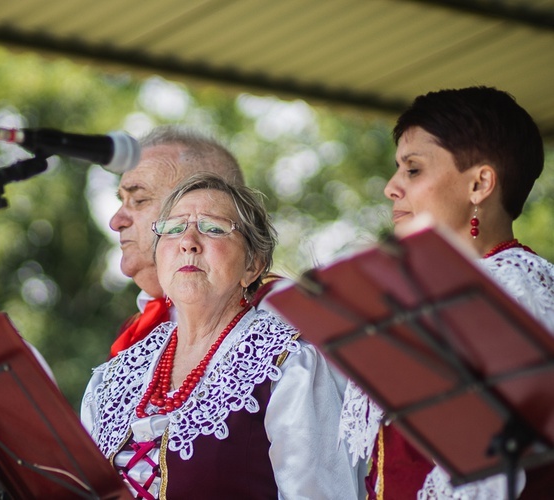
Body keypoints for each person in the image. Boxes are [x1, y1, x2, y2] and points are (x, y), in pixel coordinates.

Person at [83, 173, 359, 498]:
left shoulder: (289, 364)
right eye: (173, 228)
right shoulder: (116, 376)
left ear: (252, 266)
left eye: (213, 228)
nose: (188, 241)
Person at [339, 86, 554, 499]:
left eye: (413, 169)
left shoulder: (515, 288)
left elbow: (495, 469)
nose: (391, 187)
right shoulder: (416, 298)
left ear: (479, 184)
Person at [108, 126, 246, 357]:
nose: (116, 221)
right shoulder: (135, 331)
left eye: (139, 200)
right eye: (122, 201)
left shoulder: (283, 317)